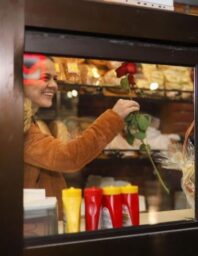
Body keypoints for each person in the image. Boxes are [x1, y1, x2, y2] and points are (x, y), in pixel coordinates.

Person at [23, 54, 140, 217]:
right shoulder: (19, 128)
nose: (54, 85)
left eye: (55, 79)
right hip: (33, 228)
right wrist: (113, 118)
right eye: (45, 78)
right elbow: (68, 157)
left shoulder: (28, 122)